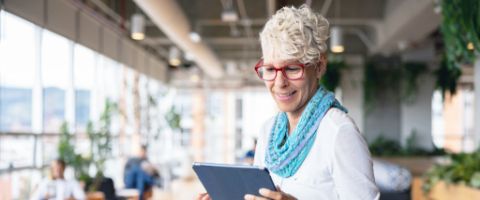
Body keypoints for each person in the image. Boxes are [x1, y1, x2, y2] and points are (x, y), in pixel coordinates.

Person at [198, 5, 379, 200]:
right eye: (270, 69)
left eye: (292, 68)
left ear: (319, 67)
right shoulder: (268, 132)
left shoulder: (338, 131)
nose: (279, 83)